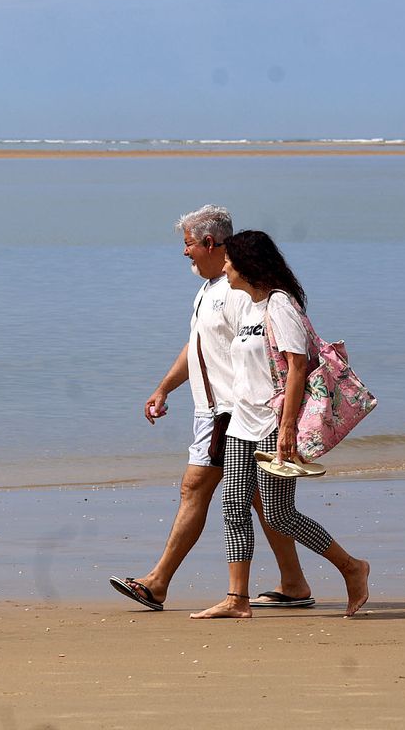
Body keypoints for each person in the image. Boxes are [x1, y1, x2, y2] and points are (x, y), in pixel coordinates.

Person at [108, 206, 313, 612]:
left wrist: (269, 418)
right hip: (215, 410)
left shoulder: (239, 293)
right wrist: (165, 387)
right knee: (256, 497)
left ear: (207, 243)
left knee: (197, 489)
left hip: (231, 412)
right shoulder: (208, 289)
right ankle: (294, 582)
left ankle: (157, 582)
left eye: (187, 244)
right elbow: (198, 345)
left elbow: (265, 355)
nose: (184, 253)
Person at [191, 229, 371, 620]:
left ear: (247, 266)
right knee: (234, 506)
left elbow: (297, 368)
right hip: (242, 423)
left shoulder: (280, 305)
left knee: (278, 514)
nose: (224, 267)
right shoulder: (248, 306)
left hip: (274, 423)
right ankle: (236, 600)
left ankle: (352, 567)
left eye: (229, 261)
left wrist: (287, 427)